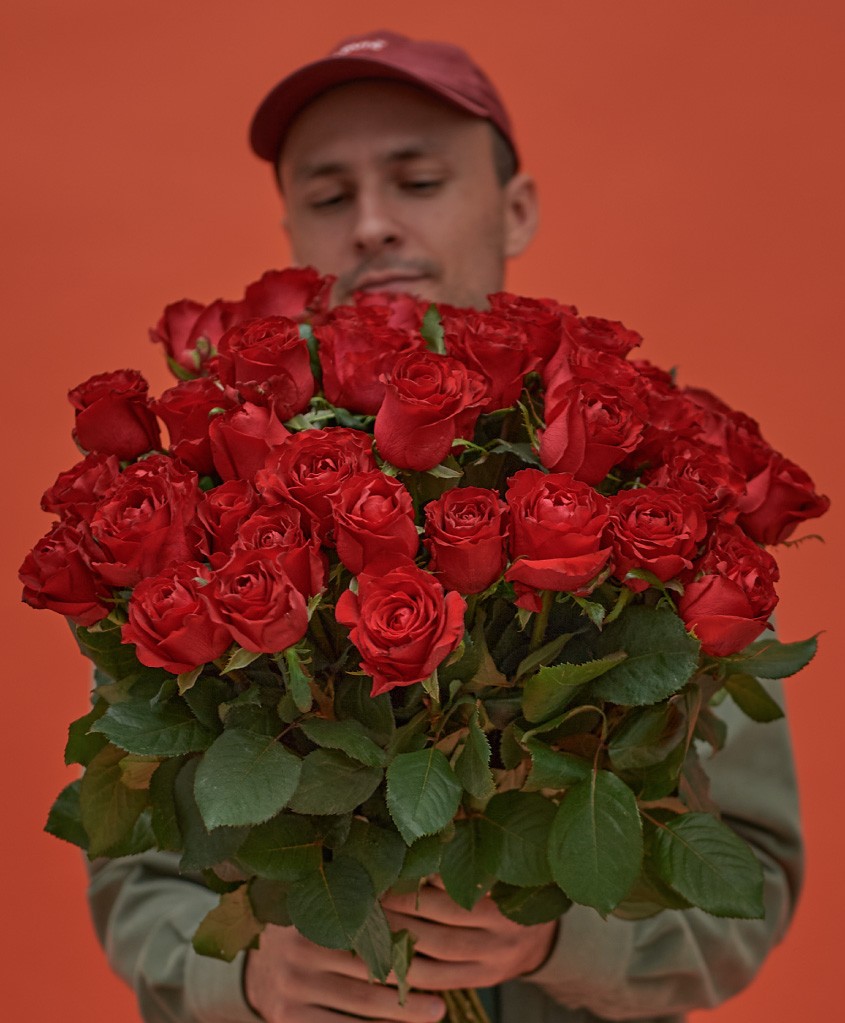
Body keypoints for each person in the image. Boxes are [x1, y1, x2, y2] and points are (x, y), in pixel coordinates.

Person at [87, 31, 803, 1023]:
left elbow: (752, 873)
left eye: (418, 181)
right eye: (329, 197)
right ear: (290, 227)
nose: (372, 225)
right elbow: (133, 872)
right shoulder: (199, 498)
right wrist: (244, 981)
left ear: (516, 207)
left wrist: (566, 940)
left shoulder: (658, 494)